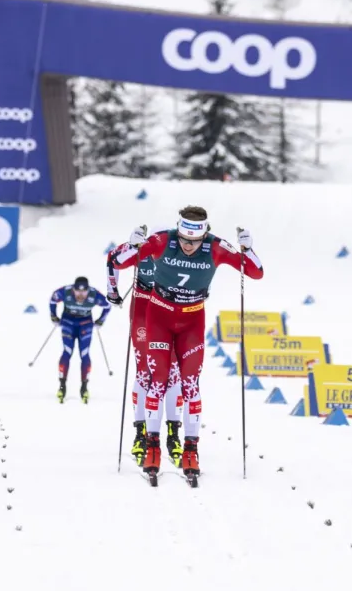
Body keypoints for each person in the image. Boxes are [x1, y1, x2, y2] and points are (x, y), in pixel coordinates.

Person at [111, 205, 263, 478]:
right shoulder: (162, 240)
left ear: (204, 235)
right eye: (184, 239)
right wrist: (131, 243)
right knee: (157, 380)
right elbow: (119, 261)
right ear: (177, 231)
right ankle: (152, 445)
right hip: (158, 318)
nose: (188, 246)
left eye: (194, 241)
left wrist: (247, 250)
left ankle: (191, 450)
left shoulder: (215, 247)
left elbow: (255, 272)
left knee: (190, 383)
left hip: (192, 321)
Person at [106, 239, 184, 468]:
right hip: (142, 311)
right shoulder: (142, 247)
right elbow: (112, 258)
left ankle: (173, 434)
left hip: (170, 312)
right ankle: (141, 433)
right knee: (144, 373)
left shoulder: (181, 248)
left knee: (173, 374)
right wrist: (112, 291)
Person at [49, 276, 110, 404]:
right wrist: (53, 316)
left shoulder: (94, 294)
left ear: (88, 290)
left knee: (84, 354)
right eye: (78, 291)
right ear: (73, 289)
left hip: (85, 323)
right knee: (67, 352)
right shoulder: (66, 291)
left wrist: (100, 321)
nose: (81, 294)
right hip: (68, 322)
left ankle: (84, 387)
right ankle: (62, 386)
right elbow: (53, 299)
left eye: (84, 291)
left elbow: (108, 305)